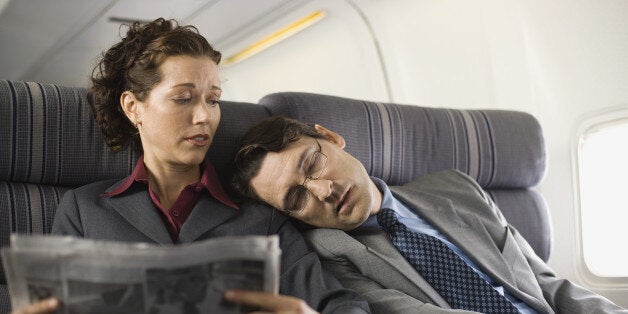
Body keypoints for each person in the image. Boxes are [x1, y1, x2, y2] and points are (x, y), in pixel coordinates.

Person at [11, 18, 369, 314]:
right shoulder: (84, 209)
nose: (204, 117)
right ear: (134, 107)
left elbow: (342, 305)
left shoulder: (260, 217)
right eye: (183, 98)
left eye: (213, 100)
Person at [231, 115, 628, 314]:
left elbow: (548, 284)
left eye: (313, 163)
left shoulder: (456, 187)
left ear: (332, 138)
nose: (323, 190)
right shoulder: (329, 255)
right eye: (298, 198)